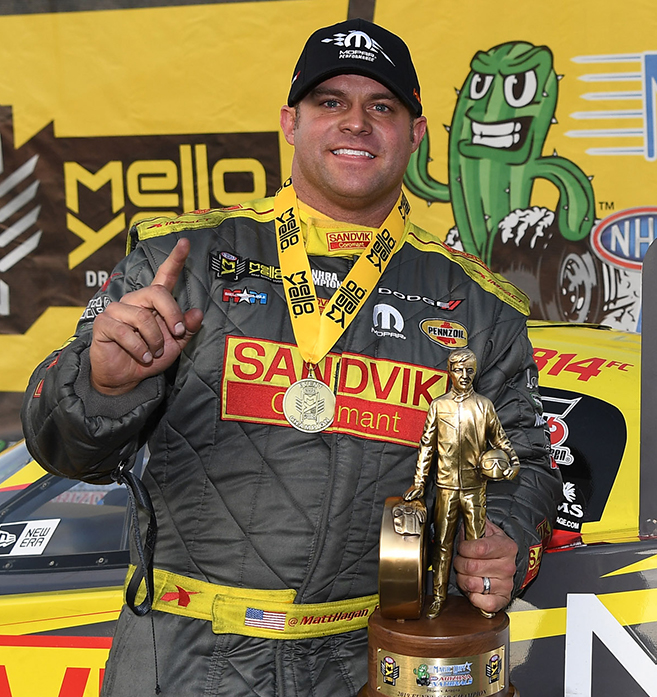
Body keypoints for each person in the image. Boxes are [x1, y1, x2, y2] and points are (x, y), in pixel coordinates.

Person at [22, 19, 561, 696]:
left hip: (369, 660)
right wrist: (103, 384)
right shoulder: (181, 262)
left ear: (416, 135)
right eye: (331, 102)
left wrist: (507, 531)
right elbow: (60, 447)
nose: (356, 123)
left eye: (382, 107)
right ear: (290, 121)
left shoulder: (478, 304)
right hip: (188, 660)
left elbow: (530, 465)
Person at [405, 347, 518, 619]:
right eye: (458, 370)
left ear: (475, 372)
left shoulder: (484, 406)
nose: (464, 375)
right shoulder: (438, 406)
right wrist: (420, 482)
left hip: (475, 488)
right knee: (441, 544)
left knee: (477, 545)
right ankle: (439, 598)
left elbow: (501, 441)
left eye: (469, 370)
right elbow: (426, 447)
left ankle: (481, 600)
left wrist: (512, 464)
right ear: (450, 372)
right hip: (444, 488)